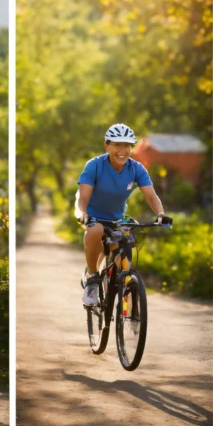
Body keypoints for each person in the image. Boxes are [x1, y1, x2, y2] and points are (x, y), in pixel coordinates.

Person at [76, 124, 170, 306]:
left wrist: (160, 214)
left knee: (126, 244)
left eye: (127, 145)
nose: (122, 150)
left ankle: (125, 295)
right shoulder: (94, 166)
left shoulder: (136, 168)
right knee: (95, 232)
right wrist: (83, 214)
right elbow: (83, 197)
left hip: (117, 219)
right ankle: (92, 279)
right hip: (94, 217)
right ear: (107, 146)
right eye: (117, 145)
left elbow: (151, 195)